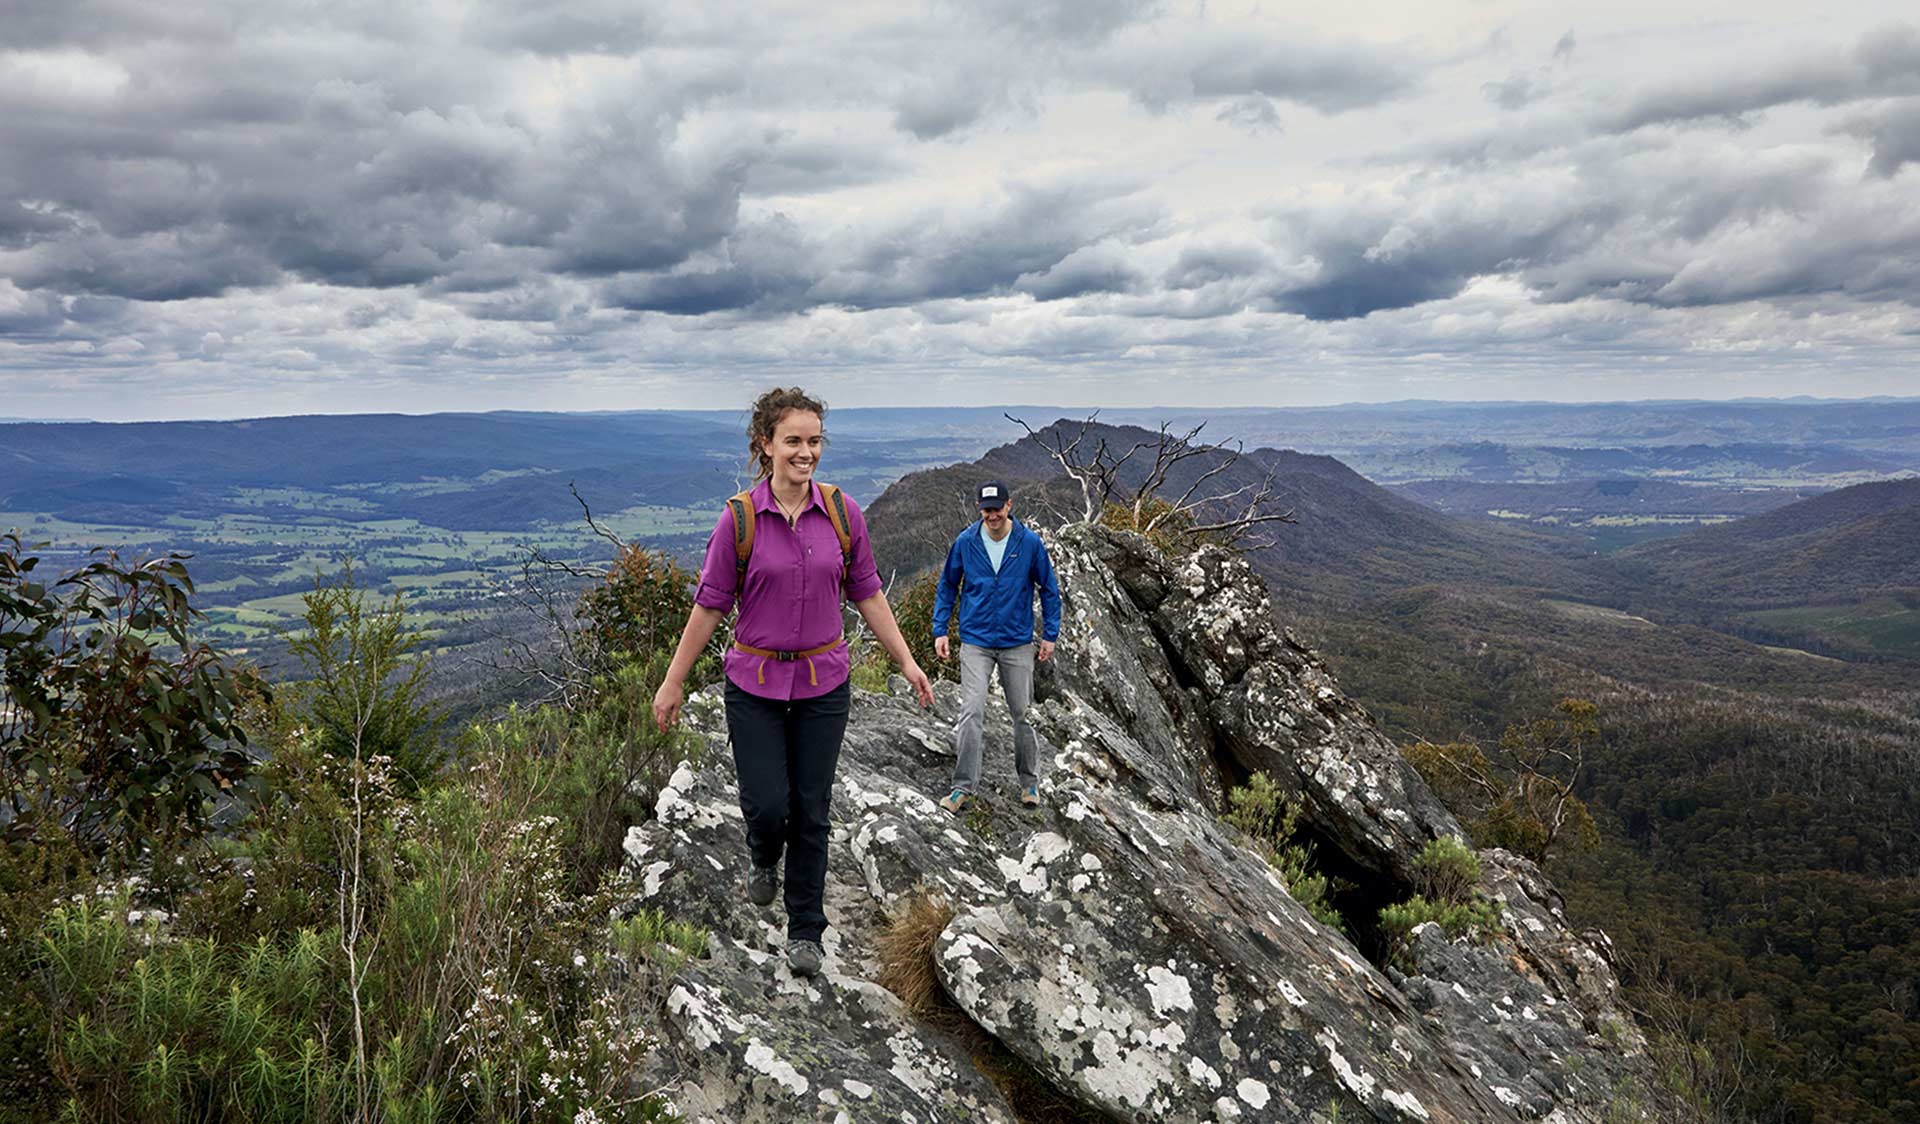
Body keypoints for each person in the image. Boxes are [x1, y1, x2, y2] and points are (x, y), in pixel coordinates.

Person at [653, 387, 934, 978]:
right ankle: (762, 854)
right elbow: (708, 607)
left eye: (813, 442)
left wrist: (907, 662)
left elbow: (868, 594)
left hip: (823, 685)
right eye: (793, 442)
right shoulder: (739, 520)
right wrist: (673, 682)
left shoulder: (841, 513)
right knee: (767, 804)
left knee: (812, 808)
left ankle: (805, 928)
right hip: (753, 683)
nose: (805, 453)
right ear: (766, 444)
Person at [931, 480, 1061, 814]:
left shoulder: (1029, 543)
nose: (992, 515)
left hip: (1017, 642)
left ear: (1009, 506)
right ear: (980, 509)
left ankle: (1029, 783)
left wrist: (1050, 634)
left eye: (997, 508)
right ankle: (962, 787)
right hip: (976, 641)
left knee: (1023, 714)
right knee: (971, 711)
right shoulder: (966, 542)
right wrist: (940, 629)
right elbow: (947, 586)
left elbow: (1049, 589)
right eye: (986, 509)